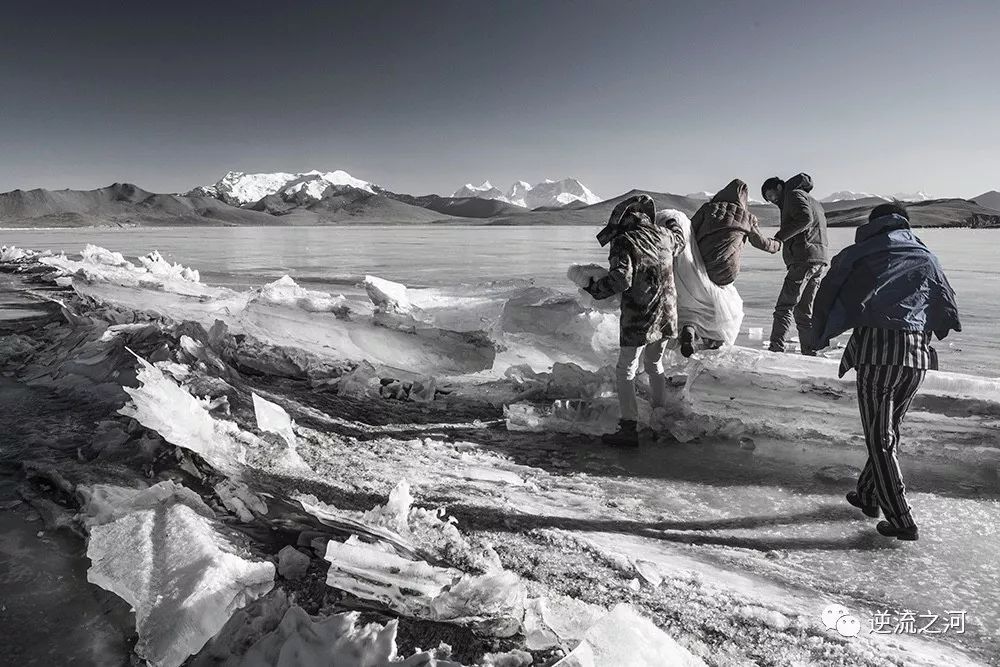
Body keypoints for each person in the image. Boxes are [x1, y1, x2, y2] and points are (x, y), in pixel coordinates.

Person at [809, 203, 960, 541]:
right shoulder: (926, 256)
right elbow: (945, 302)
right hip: (917, 359)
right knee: (889, 430)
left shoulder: (862, 254)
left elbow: (833, 291)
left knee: (880, 439)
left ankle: (902, 519)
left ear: (874, 224)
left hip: (878, 356)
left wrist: (818, 334)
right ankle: (867, 495)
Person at [585, 194, 685, 447]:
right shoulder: (664, 236)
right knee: (654, 362)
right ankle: (659, 418)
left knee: (626, 369)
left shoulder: (624, 240)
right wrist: (672, 223)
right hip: (668, 312)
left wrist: (594, 288)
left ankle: (628, 426)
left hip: (640, 314)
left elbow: (621, 279)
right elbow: (680, 242)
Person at [682, 178, 781, 355]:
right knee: (725, 301)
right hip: (726, 271)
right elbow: (762, 244)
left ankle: (689, 328)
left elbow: (688, 231)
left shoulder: (706, 209)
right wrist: (778, 244)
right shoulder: (747, 217)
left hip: (699, 266)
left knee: (699, 297)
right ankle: (716, 341)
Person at [760, 173, 828, 355]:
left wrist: (779, 237)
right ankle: (809, 351)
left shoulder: (793, 195)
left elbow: (805, 219)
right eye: (768, 199)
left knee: (784, 306)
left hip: (803, 258)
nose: (772, 200)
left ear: (780, 187)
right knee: (803, 312)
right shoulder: (812, 200)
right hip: (818, 259)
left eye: (772, 195)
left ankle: (776, 349)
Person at [669, 208, 746, 357]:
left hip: (671, 277)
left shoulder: (665, 244)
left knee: (680, 310)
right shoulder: (691, 244)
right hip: (695, 274)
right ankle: (702, 339)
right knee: (711, 306)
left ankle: (687, 330)